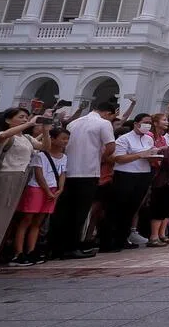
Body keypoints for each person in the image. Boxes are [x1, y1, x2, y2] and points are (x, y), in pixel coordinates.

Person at [0, 108, 49, 273]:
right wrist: (30, 123)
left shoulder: (26, 138)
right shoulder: (2, 136)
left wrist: (46, 131)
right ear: (8, 120)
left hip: (21, 178)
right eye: (20, 117)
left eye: (26, 117)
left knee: (5, 220)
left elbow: (44, 146)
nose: (24, 120)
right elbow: (5, 136)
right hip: (5, 177)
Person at [50, 98, 118, 259]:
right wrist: (101, 157)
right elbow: (111, 146)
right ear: (108, 113)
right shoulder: (103, 123)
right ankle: (72, 246)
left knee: (63, 211)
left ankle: (56, 247)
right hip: (88, 171)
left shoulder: (74, 123)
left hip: (69, 171)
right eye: (112, 117)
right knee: (80, 213)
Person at [10, 127, 69, 266]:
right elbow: (39, 174)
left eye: (67, 139)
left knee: (38, 222)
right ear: (52, 139)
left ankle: (31, 251)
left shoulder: (64, 157)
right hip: (36, 188)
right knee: (26, 220)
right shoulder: (40, 155)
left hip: (53, 189)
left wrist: (60, 188)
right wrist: (47, 190)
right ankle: (18, 253)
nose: (65, 142)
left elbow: (62, 174)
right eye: (63, 138)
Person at [99, 113, 157, 252]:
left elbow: (148, 156)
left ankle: (122, 238)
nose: (148, 125)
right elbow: (118, 158)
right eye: (145, 122)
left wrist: (152, 156)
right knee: (117, 208)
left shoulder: (149, 139)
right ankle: (107, 241)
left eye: (150, 123)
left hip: (142, 174)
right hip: (125, 175)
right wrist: (139, 155)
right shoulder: (124, 139)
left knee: (132, 209)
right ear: (136, 124)